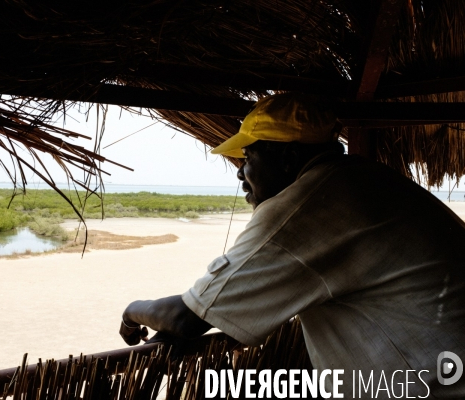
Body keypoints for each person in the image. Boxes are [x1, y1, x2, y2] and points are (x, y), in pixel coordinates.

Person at [119, 93, 465, 397]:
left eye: (248, 158)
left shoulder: (306, 207)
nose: (240, 173)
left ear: (287, 158)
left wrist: (132, 311)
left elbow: (187, 318)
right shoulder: (366, 177)